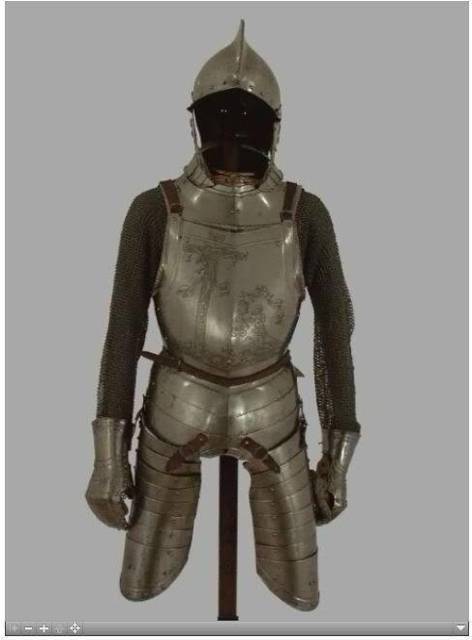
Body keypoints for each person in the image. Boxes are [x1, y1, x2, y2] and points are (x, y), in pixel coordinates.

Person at [85, 20, 361, 611]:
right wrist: (107, 456)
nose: (235, 131)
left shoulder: (303, 214)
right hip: (181, 407)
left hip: (261, 408)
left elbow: (335, 329)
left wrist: (339, 455)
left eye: (247, 118)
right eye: (222, 117)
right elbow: (123, 332)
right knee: (141, 583)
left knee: (299, 592)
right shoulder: (155, 210)